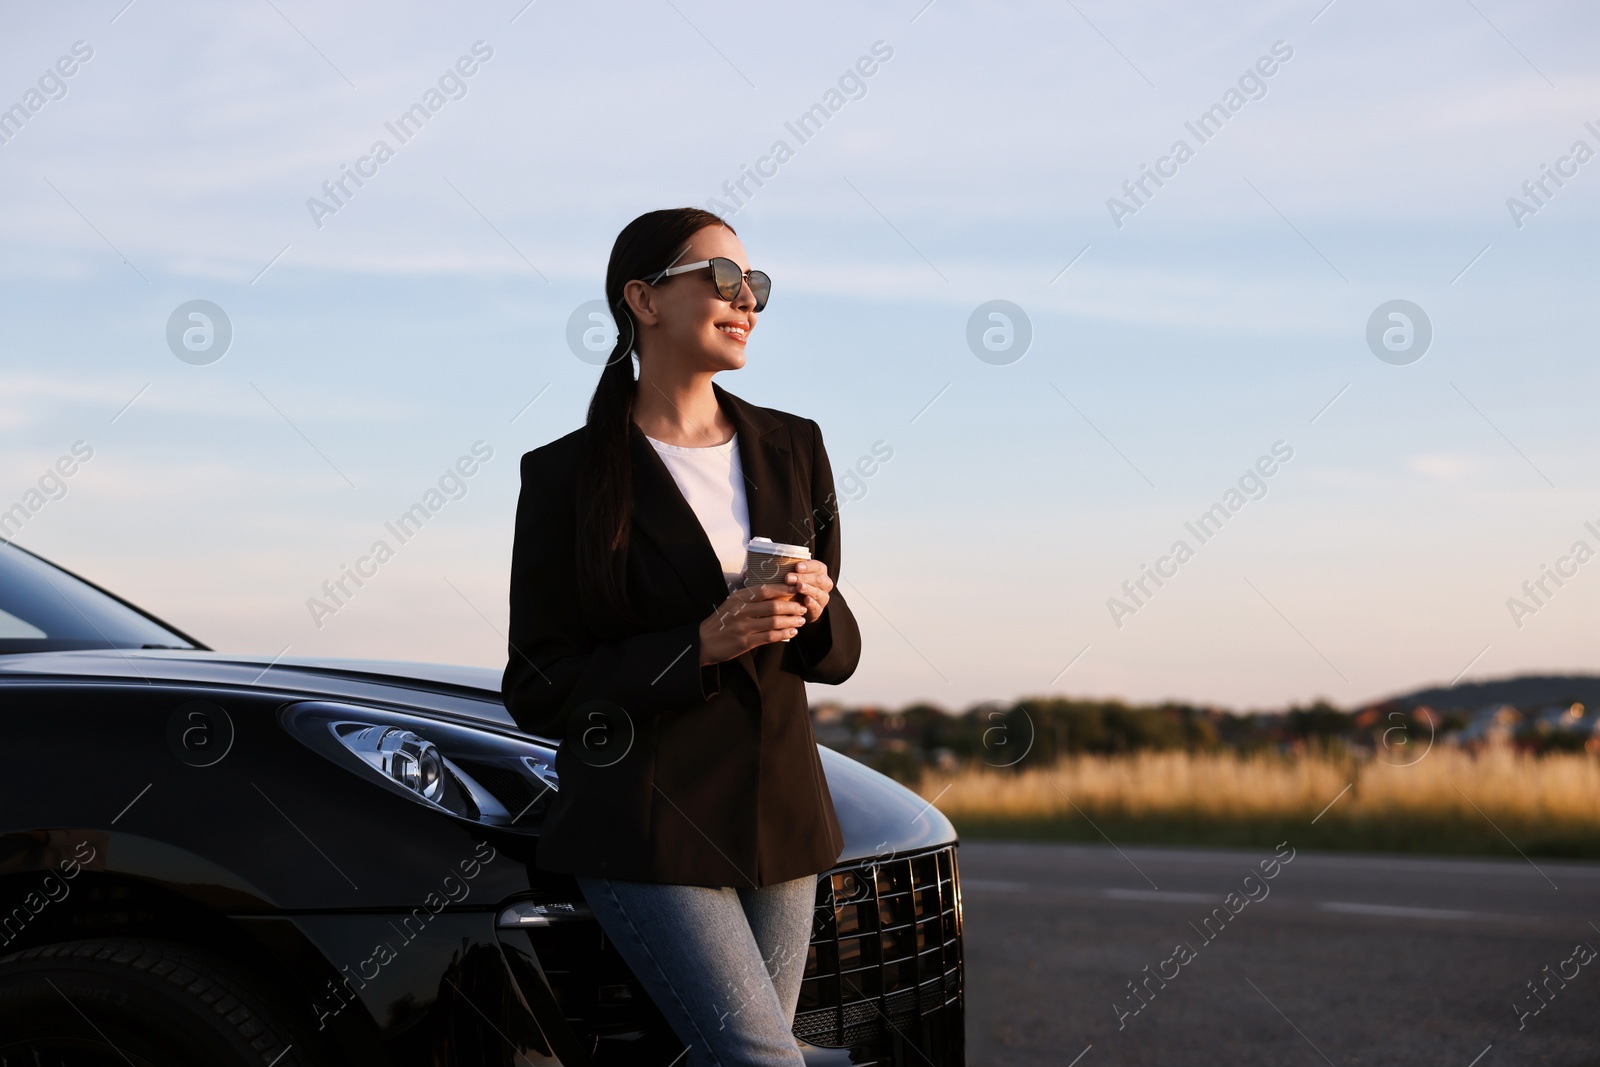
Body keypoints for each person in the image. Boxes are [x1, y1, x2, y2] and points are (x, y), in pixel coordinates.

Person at [501, 206, 862, 1065]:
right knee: (762, 1059)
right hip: (642, 823)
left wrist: (817, 602)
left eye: (757, 285)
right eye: (725, 279)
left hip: (783, 823)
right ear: (644, 299)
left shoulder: (794, 446)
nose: (749, 301)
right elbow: (538, 684)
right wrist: (699, 645)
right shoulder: (564, 475)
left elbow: (839, 656)